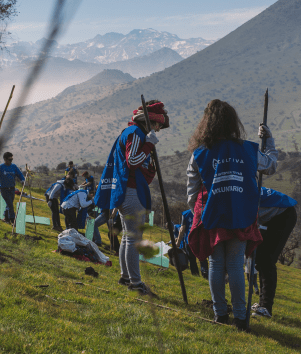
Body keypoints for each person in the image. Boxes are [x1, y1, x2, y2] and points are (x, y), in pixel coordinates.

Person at [186, 99, 277, 331]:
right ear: (232, 122)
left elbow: (191, 192)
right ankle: (239, 317)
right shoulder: (247, 149)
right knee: (235, 264)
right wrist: (269, 141)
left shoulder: (199, 153)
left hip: (212, 214)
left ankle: (220, 314)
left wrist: (200, 214)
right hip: (240, 213)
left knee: (216, 263)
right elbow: (270, 166)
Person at [95, 100, 169, 295]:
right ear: (150, 121)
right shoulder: (135, 133)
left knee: (128, 238)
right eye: (157, 125)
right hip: (130, 192)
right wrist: (149, 146)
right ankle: (135, 283)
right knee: (134, 239)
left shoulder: (131, 133)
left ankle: (125, 277)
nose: (158, 129)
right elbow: (133, 161)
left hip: (126, 191)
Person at [252, 187, 297, 318]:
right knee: (260, 260)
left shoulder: (239, 195)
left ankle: (266, 308)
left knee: (267, 260)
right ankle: (262, 304)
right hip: (273, 216)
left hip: (284, 213)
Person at [0, 152, 25, 223]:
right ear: (5, 159)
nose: (11, 161)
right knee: (10, 205)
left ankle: (6, 218)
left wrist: (22, 180)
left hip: (12, 189)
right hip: (4, 190)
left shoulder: (14, 166)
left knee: (9, 204)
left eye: (12, 159)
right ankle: (13, 220)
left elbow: (20, 174)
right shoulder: (0, 168)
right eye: (9, 159)